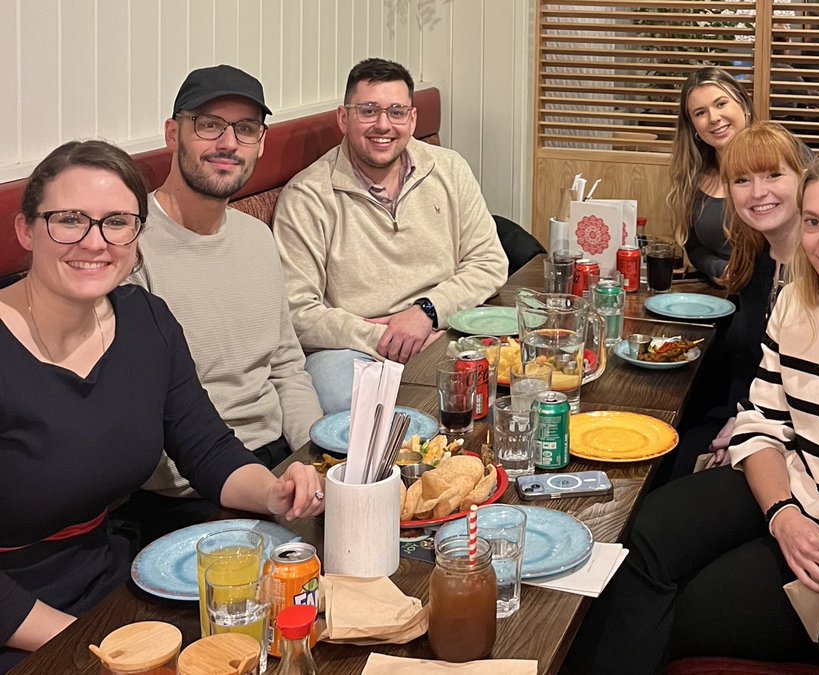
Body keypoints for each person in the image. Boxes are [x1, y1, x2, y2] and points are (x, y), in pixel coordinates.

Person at [567, 152, 819, 672]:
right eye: (814, 223)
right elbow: (761, 423)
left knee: (687, 609)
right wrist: (781, 515)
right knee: (641, 532)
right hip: (796, 489)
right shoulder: (797, 302)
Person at [0, 140, 325, 673]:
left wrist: (273, 491)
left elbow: (205, 446)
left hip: (107, 582)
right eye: (69, 220)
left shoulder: (145, 321)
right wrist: (85, 645)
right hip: (19, 619)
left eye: (117, 222)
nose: (94, 242)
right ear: (26, 230)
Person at [118, 65, 324, 545]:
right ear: (174, 134)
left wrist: (311, 457)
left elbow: (287, 366)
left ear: (261, 143)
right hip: (188, 490)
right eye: (209, 124)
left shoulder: (256, 238)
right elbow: (141, 412)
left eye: (246, 129)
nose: (228, 142)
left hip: (277, 462)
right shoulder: (128, 244)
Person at [273, 58, 508, 413]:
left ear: (412, 119)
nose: (383, 125)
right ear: (343, 118)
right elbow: (297, 313)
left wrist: (427, 312)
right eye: (368, 111)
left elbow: (489, 261)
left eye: (396, 112)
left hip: (444, 326)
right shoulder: (307, 196)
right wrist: (389, 337)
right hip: (352, 348)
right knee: (341, 398)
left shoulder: (448, 168)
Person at [671, 121, 811, 476]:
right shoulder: (757, 258)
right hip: (748, 414)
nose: (758, 192)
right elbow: (750, 363)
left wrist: (748, 427)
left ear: (804, 178)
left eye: (773, 175)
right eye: (742, 180)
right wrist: (738, 417)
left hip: (800, 446)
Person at [665, 67, 754, 283]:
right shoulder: (694, 173)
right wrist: (720, 269)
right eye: (700, 113)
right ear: (693, 125)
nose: (713, 118)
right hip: (720, 297)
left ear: (742, 103)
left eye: (721, 104)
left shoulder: (784, 156)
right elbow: (694, 247)